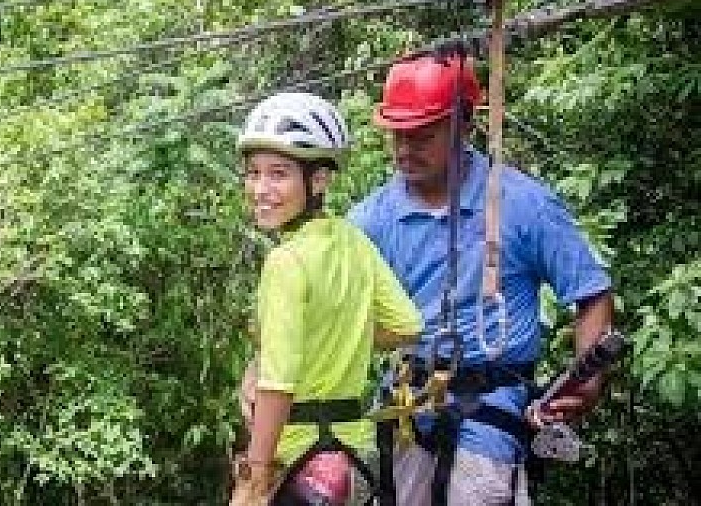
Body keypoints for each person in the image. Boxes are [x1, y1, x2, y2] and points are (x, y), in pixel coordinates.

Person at [348, 51, 614, 505]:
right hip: (408, 408)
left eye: (422, 135)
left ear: (464, 125)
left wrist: (586, 383)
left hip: (491, 410)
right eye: (398, 135)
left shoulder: (522, 204)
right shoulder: (372, 220)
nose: (406, 149)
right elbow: (324, 306)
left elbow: (590, 292)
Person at [229, 92, 422, 505]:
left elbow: (277, 385)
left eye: (278, 174)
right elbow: (407, 326)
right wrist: (338, 337)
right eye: (253, 173)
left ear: (318, 180)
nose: (260, 189)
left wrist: (255, 475)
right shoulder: (354, 242)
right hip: (352, 464)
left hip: (299, 462)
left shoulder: (285, 262)